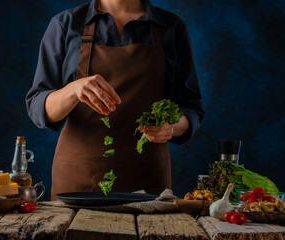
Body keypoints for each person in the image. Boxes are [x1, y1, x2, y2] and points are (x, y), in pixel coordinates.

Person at [26, 0, 205, 200]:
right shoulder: (65, 24)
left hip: (147, 182)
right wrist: (73, 90)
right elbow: (37, 105)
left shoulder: (172, 28)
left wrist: (172, 125)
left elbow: (191, 108)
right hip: (77, 181)